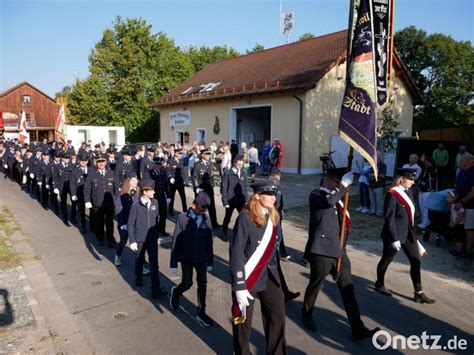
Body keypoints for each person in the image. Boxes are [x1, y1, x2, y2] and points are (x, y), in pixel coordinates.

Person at [301, 168, 379, 340]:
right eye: (336, 182)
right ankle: (306, 314)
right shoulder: (317, 195)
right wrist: (342, 186)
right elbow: (328, 201)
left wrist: (344, 189)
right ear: (328, 180)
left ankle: (357, 328)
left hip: (339, 252)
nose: (339, 185)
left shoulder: (340, 199)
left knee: (347, 289)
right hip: (321, 251)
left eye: (341, 182)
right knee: (315, 286)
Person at [230, 180, 286, 355]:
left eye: (274, 194)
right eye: (269, 194)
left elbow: (272, 252)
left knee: (277, 316)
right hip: (248, 276)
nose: (273, 198)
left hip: (269, 273)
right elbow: (236, 252)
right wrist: (239, 285)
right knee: (241, 321)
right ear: (257, 196)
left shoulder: (274, 216)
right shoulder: (245, 218)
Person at [375, 168, 436, 304]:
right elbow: (389, 218)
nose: (413, 182)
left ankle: (418, 293)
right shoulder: (392, 194)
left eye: (414, 179)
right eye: (411, 179)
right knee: (386, 260)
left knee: (416, 261)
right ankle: (379, 283)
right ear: (401, 178)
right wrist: (394, 238)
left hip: (408, 233)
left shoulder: (408, 191)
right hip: (394, 234)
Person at [169, 192, 214, 327]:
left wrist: (210, 260)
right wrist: (173, 263)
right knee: (187, 283)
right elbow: (176, 240)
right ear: (193, 205)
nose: (203, 211)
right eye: (201, 208)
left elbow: (209, 242)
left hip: (201, 258)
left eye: (205, 209)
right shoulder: (182, 218)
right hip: (187, 257)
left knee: (202, 284)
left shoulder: (206, 219)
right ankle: (176, 292)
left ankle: (201, 312)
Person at [128, 178, 167, 299]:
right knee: (139, 261)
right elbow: (130, 224)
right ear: (145, 192)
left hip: (152, 239)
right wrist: (132, 240)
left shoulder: (155, 202)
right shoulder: (135, 205)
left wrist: (157, 234)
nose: (154, 192)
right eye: (151, 191)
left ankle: (156, 288)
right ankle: (138, 278)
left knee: (154, 263)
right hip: (140, 239)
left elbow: (156, 219)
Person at [84, 155, 118, 247]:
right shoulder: (92, 174)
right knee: (99, 223)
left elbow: (116, 188)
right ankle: (100, 239)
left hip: (109, 203)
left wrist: (118, 201)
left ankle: (110, 240)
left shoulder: (111, 173)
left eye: (103, 161)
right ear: (96, 163)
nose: (101, 164)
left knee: (110, 223)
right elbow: (87, 188)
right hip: (97, 203)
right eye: (99, 162)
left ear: (106, 162)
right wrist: (87, 200)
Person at [114, 172, 139, 266]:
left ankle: (142, 265)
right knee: (123, 241)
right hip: (125, 223)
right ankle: (118, 255)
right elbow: (119, 211)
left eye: (136, 179)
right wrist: (122, 223)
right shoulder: (121, 195)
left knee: (137, 244)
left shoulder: (139, 193)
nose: (135, 182)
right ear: (128, 181)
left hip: (136, 223)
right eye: (133, 180)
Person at [221, 154, 248, 240]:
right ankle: (224, 232)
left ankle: (244, 234)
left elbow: (245, 187)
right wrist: (225, 201)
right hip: (230, 200)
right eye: (239, 164)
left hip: (241, 201)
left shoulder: (243, 173)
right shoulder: (228, 173)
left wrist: (246, 199)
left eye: (242, 164)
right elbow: (224, 188)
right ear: (234, 163)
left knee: (244, 217)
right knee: (227, 217)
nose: (240, 166)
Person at [193, 148, 220, 229]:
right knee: (200, 207)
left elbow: (211, 176)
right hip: (201, 189)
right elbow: (195, 177)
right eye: (207, 154)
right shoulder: (198, 164)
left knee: (212, 207)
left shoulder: (210, 164)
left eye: (209, 154)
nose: (209, 156)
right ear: (203, 155)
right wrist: (196, 187)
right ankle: (198, 223)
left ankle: (214, 223)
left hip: (209, 189)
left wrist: (212, 185)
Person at [455, 154, 474, 260]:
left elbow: (473, 192)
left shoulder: (472, 173)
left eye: (462, 160)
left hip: (471, 205)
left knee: (469, 228)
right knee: (461, 227)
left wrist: (462, 202)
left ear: (469, 161)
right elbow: (459, 188)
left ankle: (468, 251)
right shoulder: (462, 172)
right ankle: (460, 249)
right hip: (461, 204)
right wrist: (454, 200)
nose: (460, 162)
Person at [150, 157, 171, 236]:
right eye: (157, 164)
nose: (159, 166)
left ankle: (162, 230)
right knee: (154, 215)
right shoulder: (149, 173)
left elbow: (166, 185)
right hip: (153, 197)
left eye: (160, 164)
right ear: (153, 164)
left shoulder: (163, 173)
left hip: (162, 196)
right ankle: (155, 230)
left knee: (163, 214)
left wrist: (168, 196)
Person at [53, 154, 75, 225]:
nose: (68, 160)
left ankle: (73, 217)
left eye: (68, 159)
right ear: (62, 159)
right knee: (63, 202)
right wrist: (55, 187)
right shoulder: (57, 167)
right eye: (66, 159)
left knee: (74, 202)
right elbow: (55, 177)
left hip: (70, 187)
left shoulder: (71, 166)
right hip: (61, 186)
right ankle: (65, 218)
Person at [70, 154, 90, 232]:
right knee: (81, 210)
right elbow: (72, 183)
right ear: (79, 161)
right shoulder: (75, 171)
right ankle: (83, 225)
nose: (83, 162)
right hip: (80, 193)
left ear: (87, 161)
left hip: (90, 194)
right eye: (82, 161)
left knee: (92, 211)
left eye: (85, 161)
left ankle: (92, 226)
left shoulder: (91, 170)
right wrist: (73, 194)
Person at [416, 155, 437, 230]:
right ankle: (423, 221)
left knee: (426, 207)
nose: (424, 162)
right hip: (421, 190)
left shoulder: (432, 169)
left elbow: (432, 170)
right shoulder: (424, 169)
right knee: (422, 207)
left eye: (426, 161)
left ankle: (427, 222)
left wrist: (424, 161)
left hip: (428, 191)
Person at [167, 148, 187, 215]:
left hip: (180, 182)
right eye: (179, 153)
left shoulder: (181, 160)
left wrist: (184, 179)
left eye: (181, 153)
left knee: (183, 197)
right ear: (175, 153)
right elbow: (168, 171)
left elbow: (183, 171)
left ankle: (185, 211)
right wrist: (170, 178)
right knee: (172, 197)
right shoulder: (170, 161)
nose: (181, 155)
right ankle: (170, 211)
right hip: (173, 182)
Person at [446, 190, 465, 257]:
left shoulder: (458, 207)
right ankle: (456, 249)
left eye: (448, 198)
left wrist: (455, 223)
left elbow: (461, 216)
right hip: (456, 224)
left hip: (460, 225)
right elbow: (451, 215)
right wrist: (451, 222)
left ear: (454, 198)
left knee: (460, 238)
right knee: (456, 237)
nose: (447, 199)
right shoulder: (452, 206)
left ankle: (459, 251)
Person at [368, 152, 387, 216]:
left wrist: (373, 175)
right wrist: (374, 175)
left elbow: (382, 175)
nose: (374, 158)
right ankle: (372, 211)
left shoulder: (383, 165)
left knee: (379, 200)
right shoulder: (372, 164)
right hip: (371, 185)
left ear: (379, 157)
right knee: (372, 199)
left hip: (379, 185)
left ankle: (379, 212)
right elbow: (369, 174)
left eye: (376, 157)